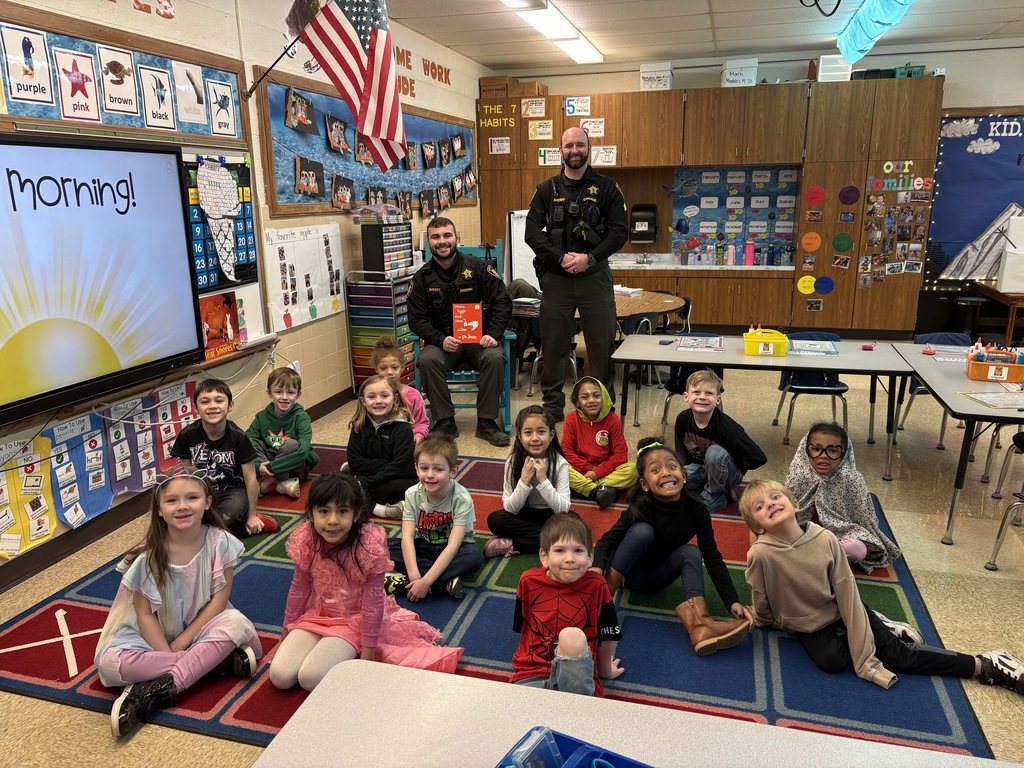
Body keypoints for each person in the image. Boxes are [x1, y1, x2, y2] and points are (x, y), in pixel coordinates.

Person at [740, 479, 1024, 694]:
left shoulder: (824, 538)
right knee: (831, 662)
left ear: (795, 504)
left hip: (842, 607)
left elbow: (846, 588)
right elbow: (761, 593)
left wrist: (862, 639)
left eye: (775, 497)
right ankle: (886, 629)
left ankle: (986, 664)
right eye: (760, 507)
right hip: (805, 623)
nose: (770, 504)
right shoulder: (760, 554)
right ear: (758, 527)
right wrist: (761, 619)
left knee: (898, 657)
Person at [94, 472, 262, 737]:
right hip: (149, 637)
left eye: (192, 498)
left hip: (201, 624)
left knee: (236, 624)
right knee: (110, 664)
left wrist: (183, 641)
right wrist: (169, 653)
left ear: (207, 502)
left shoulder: (219, 541)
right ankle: (210, 662)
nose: (182, 506)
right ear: (159, 510)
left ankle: (151, 692)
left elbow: (219, 600)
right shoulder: (149, 557)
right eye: (172, 500)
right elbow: (145, 616)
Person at [269, 472, 463, 692]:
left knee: (310, 679)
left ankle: (345, 654)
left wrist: (367, 656)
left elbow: (373, 603)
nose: (332, 521)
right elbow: (298, 589)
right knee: (280, 677)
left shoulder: (368, 545)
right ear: (311, 514)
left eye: (342, 511)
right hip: (317, 616)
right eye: (324, 511)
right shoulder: (307, 539)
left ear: (355, 514)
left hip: (352, 622)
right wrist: (286, 632)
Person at [593, 438, 752, 656]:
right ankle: (599, 605)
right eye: (655, 470)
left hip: (655, 579)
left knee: (691, 551)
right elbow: (607, 541)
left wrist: (732, 601)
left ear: (684, 476)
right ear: (644, 484)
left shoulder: (698, 510)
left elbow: (712, 557)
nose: (666, 473)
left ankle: (700, 626)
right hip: (625, 572)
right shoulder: (641, 506)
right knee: (642, 531)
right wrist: (596, 572)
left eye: (671, 466)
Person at [524, 126, 628, 421]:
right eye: (568, 146)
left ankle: (602, 408)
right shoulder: (546, 189)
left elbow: (620, 232)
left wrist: (590, 259)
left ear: (588, 149)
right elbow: (531, 233)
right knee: (553, 345)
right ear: (560, 150)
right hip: (557, 279)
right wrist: (560, 257)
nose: (574, 151)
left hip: (594, 278)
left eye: (580, 145)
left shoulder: (607, 188)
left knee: (601, 346)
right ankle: (552, 407)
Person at [407, 216, 512, 447]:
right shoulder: (422, 278)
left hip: (479, 342)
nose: (442, 241)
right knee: (427, 359)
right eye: (435, 237)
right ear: (428, 242)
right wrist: (439, 339)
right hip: (443, 344)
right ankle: (445, 420)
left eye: (447, 235)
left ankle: (486, 422)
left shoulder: (479, 268)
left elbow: (503, 302)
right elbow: (416, 319)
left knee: (495, 357)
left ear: (457, 238)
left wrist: (493, 334)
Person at [511, 512, 624, 696]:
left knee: (572, 636)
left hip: (577, 676)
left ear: (590, 557)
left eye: (578, 550)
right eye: (560, 550)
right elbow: (525, 628)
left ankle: (575, 707)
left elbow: (607, 634)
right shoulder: (528, 581)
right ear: (544, 556)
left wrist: (604, 670)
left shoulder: (597, 585)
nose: (569, 558)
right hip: (532, 673)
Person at [785, 423, 901, 573]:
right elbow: (788, 512)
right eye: (816, 449)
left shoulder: (852, 479)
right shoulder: (799, 475)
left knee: (856, 550)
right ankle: (817, 558)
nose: (823, 456)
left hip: (838, 536)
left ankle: (809, 557)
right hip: (802, 532)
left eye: (833, 450)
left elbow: (864, 520)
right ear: (806, 450)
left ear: (844, 453)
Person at [171, 378, 277, 536]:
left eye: (219, 400)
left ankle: (238, 523)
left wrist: (252, 515)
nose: (212, 406)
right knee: (177, 515)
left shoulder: (239, 437)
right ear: (196, 408)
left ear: (230, 406)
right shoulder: (187, 435)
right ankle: (236, 529)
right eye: (205, 402)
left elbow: (250, 478)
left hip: (233, 490)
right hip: (201, 490)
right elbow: (183, 475)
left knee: (230, 513)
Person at [384, 433, 484, 601]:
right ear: (416, 468)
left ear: (453, 471)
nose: (430, 475)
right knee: (382, 546)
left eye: (438, 469)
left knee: (474, 557)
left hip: (457, 549)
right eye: (424, 468)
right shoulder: (412, 494)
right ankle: (446, 580)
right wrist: (415, 576)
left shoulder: (461, 498)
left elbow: (453, 545)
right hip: (425, 545)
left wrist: (425, 582)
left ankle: (413, 582)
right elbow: (407, 537)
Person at [673, 369, 766, 512]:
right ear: (686, 396)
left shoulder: (727, 428)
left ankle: (716, 493)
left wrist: (734, 470)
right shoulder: (682, 419)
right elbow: (681, 451)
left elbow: (758, 458)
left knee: (714, 452)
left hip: (727, 473)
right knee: (672, 483)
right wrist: (684, 471)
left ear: (718, 400)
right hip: (700, 468)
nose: (702, 397)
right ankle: (711, 484)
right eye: (696, 392)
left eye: (709, 393)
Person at [486, 406, 571, 558]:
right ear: (519, 436)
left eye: (541, 431)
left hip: (551, 514)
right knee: (495, 520)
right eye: (528, 432)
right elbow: (510, 508)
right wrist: (524, 481)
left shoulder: (560, 463)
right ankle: (552, 538)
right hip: (523, 513)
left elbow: (563, 508)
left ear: (551, 435)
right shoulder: (513, 461)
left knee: (574, 524)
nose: (535, 438)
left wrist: (543, 481)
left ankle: (514, 544)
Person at [345, 375, 416, 519]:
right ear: (363, 401)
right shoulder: (359, 425)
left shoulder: (402, 428)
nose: (378, 401)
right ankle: (378, 507)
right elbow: (354, 461)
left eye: (384, 396)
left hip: (396, 478)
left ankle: (373, 507)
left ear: (395, 399)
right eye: (372, 397)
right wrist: (385, 464)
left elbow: (402, 466)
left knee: (399, 489)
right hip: (370, 474)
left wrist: (366, 482)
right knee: (338, 482)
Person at [562, 376, 637, 508]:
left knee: (633, 470)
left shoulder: (613, 420)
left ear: (604, 398)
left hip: (606, 469)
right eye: (585, 397)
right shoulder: (571, 419)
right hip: (580, 469)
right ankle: (601, 490)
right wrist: (590, 469)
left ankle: (587, 488)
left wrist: (597, 473)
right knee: (559, 468)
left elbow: (621, 455)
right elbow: (566, 452)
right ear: (577, 402)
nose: (591, 400)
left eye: (597, 396)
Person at [246, 367, 319, 500]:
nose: (284, 397)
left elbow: (303, 452)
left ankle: (268, 482)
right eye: (279, 392)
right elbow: (246, 443)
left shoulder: (302, 417)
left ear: (298, 394)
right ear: (269, 393)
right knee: (249, 441)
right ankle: (282, 482)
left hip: (296, 465)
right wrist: (258, 467)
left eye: (290, 392)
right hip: (271, 459)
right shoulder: (261, 417)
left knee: (291, 444)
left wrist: (270, 469)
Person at [371, 335, 428, 443]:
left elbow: (421, 422)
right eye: (383, 368)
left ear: (402, 367)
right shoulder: (372, 395)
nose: (389, 372)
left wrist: (418, 434)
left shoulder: (413, 395)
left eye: (394, 367)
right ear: (376, 369)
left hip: (406, 441)